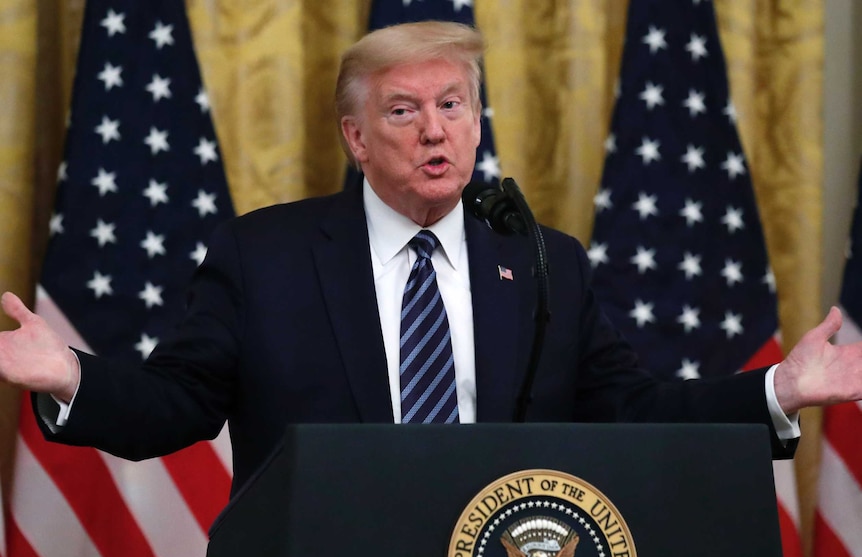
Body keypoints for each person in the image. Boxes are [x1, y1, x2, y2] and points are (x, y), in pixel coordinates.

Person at [0, 21, 859, 497]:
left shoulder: (543, 261)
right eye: (404, 110)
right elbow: (177, 404)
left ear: (478, 121)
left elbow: (630, 408)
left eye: (452, 103)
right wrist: (68, 374)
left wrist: (776, 390)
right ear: (356, 137)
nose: (435, 129)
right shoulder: (265, 254)